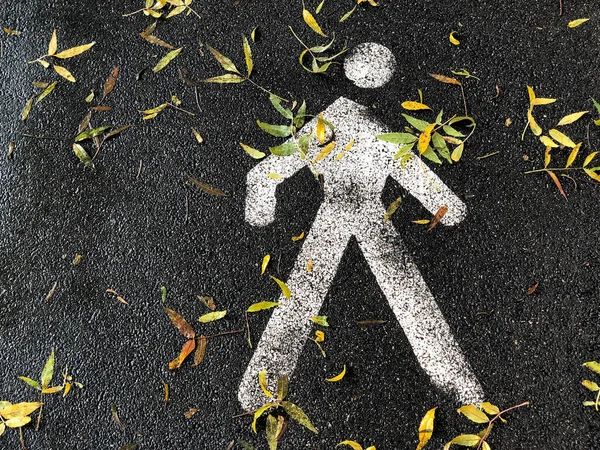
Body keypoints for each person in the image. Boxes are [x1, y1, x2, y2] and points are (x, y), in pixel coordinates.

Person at [238, 43, 484, 411]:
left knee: (304, 296)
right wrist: (448, 209)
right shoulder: (378, 132)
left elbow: (266, 172)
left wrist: (261, 210)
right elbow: (411, 171)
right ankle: (455, 379)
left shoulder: (322, 127)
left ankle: (262, 383)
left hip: (336, 216)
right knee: (409, 296)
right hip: (364, 216)